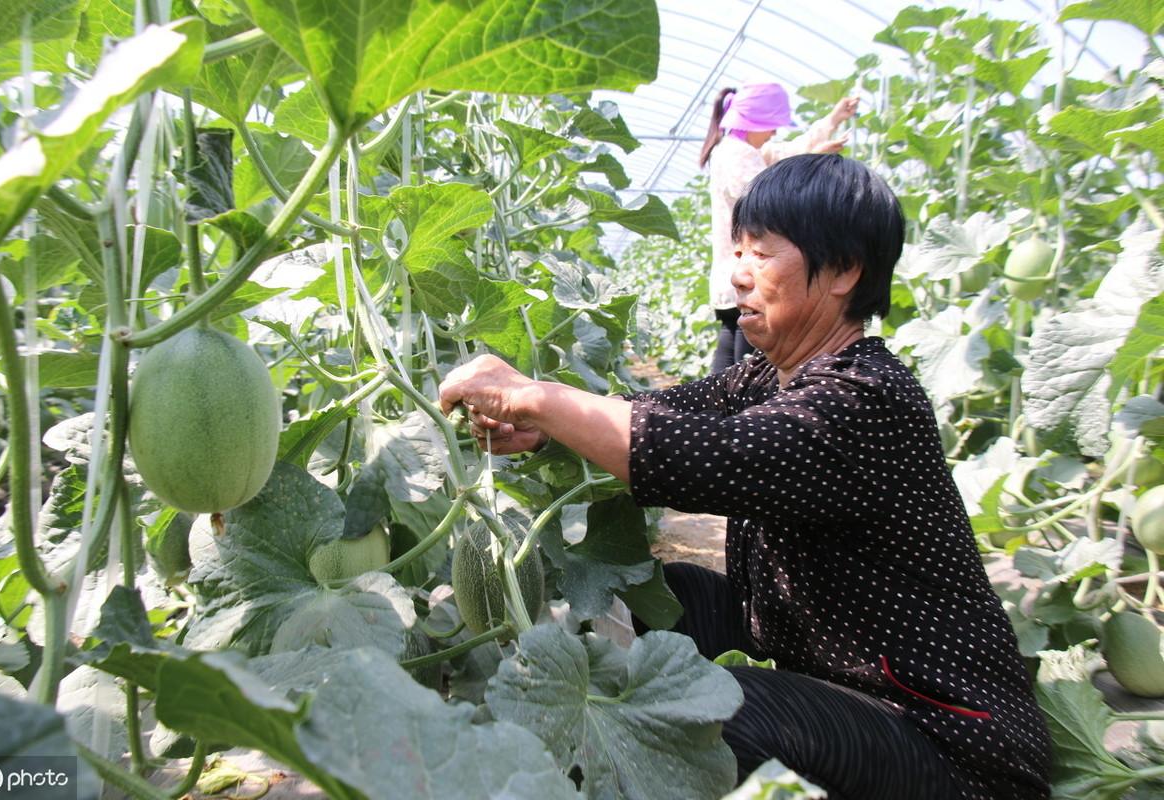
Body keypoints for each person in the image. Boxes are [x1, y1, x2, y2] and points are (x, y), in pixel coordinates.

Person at [438, 155, 1052, 800]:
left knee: (728, 715)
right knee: (665, 590)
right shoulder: (768, 374)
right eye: (737, 251)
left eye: (760, 254)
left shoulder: (869, 397)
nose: (737, 275)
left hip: (944, 737)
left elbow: (705, 455)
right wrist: (546, 425)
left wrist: (534, 397)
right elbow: (662, 412)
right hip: (815, 660)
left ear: (844, 271)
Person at [700, 83, 859, 372]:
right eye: (771, 125)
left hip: (735, 271)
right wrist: (814, 162)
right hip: (747, 270)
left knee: (732, 347)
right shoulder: (737, 154)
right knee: (747, 357)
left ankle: (717, 411)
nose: (774, 132)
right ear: (753, 123)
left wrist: (833, 120)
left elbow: (789, 152)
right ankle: (735, 412)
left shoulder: (744, 150)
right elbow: (768, 198)